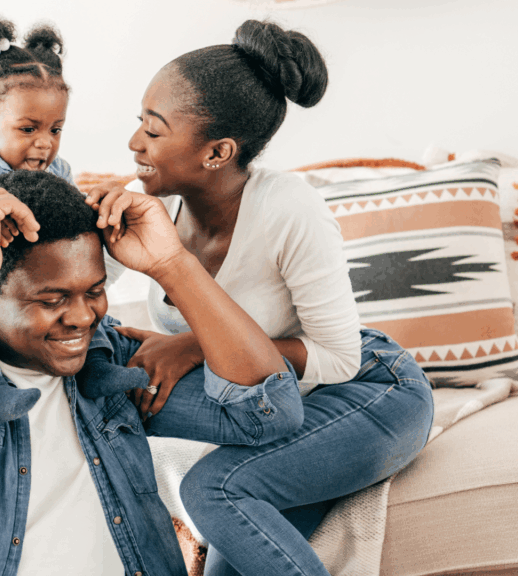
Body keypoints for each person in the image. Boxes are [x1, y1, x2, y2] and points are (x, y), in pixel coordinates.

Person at [0, 169, 308, 575]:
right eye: (52, 298)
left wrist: (173, 261)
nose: (83, 316)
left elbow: (270, 412)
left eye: (94, 291)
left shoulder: (109, 362)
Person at [85, 19, 435, 576]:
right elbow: (70, 290)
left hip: (367, 393)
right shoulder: (150, 209)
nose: (134, 144)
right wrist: (75, 218)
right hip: (275, 409)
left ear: (218, 151)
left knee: (213, 491)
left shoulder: (287, 208)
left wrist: (195, 346)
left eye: (154, 131)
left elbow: (340, 357)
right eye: (138, 124)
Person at [0, 16, 142, 423]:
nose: (44, 143)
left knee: (80, 298)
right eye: (29, 128)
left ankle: (99, 366)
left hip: (12, 279)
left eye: (56, 129)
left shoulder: (58, 169)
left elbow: (69, 224)